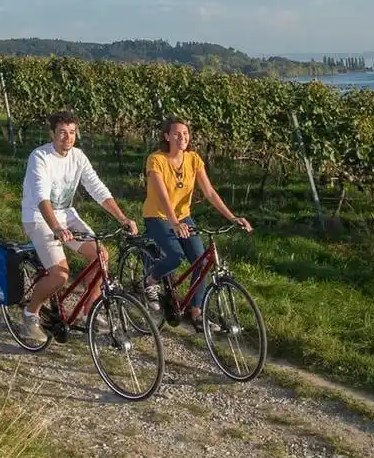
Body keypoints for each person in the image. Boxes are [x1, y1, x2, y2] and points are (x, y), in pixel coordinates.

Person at [19, 109, 137, 340]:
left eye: (72, 132)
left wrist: (122, 218)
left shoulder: (78, 157)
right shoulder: (40, 157)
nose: (68, 138)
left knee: (101, 256)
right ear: (52, 134)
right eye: (62, 132)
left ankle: (88, 312)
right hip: (39, 218)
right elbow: (42, 198)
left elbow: (97, 188)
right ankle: (29, 315)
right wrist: (56, 228)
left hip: (66, 215)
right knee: (60, 275)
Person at [142, 116, 252, 330]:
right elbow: (162, 195)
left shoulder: (193, 159)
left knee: (201, 262)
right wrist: (174, 222)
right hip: (158, 216)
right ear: (167, 136)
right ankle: (151, 281)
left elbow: (209, 192)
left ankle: (196, 312)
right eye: (176, 133)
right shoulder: (156, 160)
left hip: (183, 216)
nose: (182, 137)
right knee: (175, 255)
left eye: (185, 133)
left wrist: (232, 217)